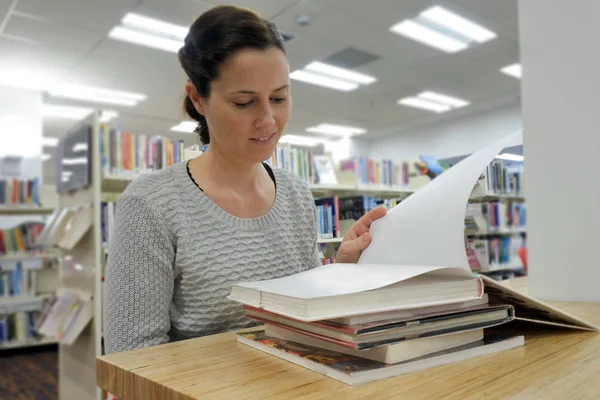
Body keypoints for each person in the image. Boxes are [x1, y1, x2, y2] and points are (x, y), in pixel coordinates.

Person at [103, 5, 386, 354]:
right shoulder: (152, 204)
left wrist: (344, 267)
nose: (268, 121)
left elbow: (303, 312)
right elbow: (132, 358)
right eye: (244, 102)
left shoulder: (296, 193)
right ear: (198, 99)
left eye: (279, 97)